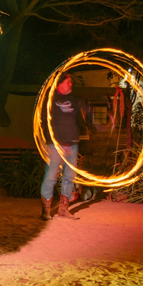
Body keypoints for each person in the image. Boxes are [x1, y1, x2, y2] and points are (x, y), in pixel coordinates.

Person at [39, 73, 88, 221]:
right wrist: (53, 143)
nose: (71, 84)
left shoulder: (73, 100)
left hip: (72, 145)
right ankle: (46, 210)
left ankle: (63, 209)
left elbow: (84, 115)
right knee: (51, 176)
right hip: (56, 146)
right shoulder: (50, 101)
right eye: (68, 82)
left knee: (69, 178)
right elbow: (45, 123)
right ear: (60, 84)